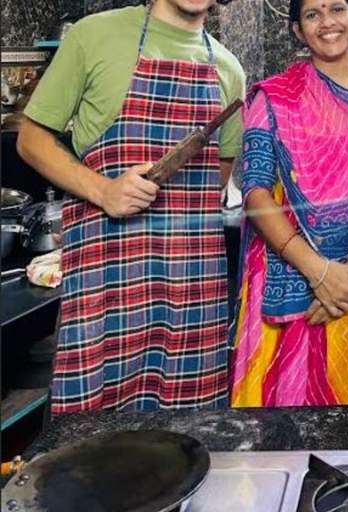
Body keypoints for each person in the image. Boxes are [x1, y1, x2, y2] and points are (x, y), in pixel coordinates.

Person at [17, 0, 246, 413]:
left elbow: (218, 176)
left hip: (191, 287)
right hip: (107, 275)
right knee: (93, 443)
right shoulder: (94, 36)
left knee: (191, 436)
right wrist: (103, 191)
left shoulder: (229, 69)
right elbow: (30, 140)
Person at [228, 0, 348, 407]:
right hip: (290, 283)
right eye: (313, 14)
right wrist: (319, 272)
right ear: (298, 29)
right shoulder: (273, 97)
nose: (327, 22)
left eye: (337, 9)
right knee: (282, 430)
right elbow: (256, 193)